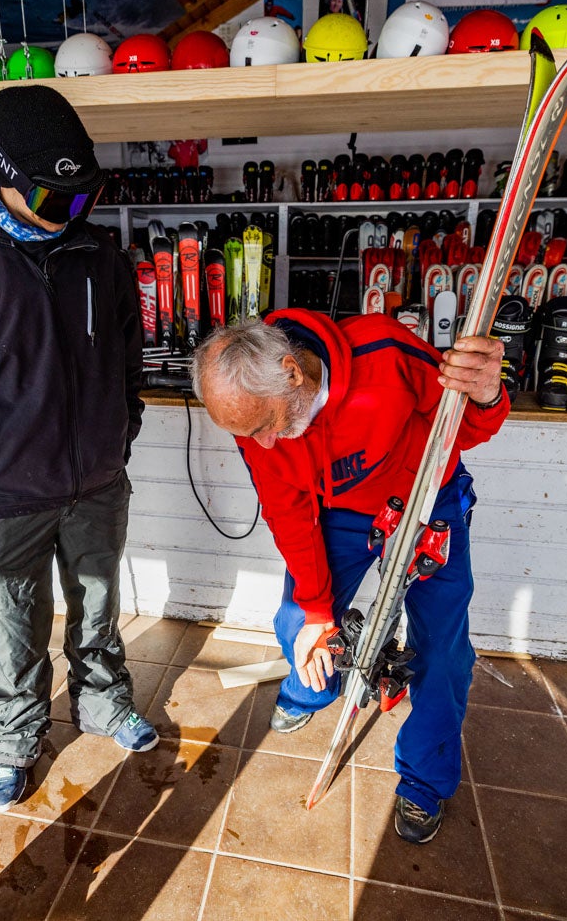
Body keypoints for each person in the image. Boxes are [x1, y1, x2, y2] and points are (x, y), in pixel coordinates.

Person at [0, 85, 157, 813]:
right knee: (12, 627)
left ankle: (105, 705)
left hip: (97, 483)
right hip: (6, 494)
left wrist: (116, 438)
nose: (74, 213)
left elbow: (127, 363)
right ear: (5, 178)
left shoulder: (100, 255)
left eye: (85, 198)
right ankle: (13, 742)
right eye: (59, 199)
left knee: (99, 609)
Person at [190, 311, 508, 844]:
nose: (262, 445)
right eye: (248, 436)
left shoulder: (385, 353)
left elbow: (470, 427)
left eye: (266, 426)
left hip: (430, 497)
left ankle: (424, 781)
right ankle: (311, 691)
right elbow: (287, 511)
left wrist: (485, 395)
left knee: (444, 651)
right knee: (298, 620)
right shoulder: (254, 416)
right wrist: (317, 612)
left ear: (293, 372)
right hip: (342, 509)